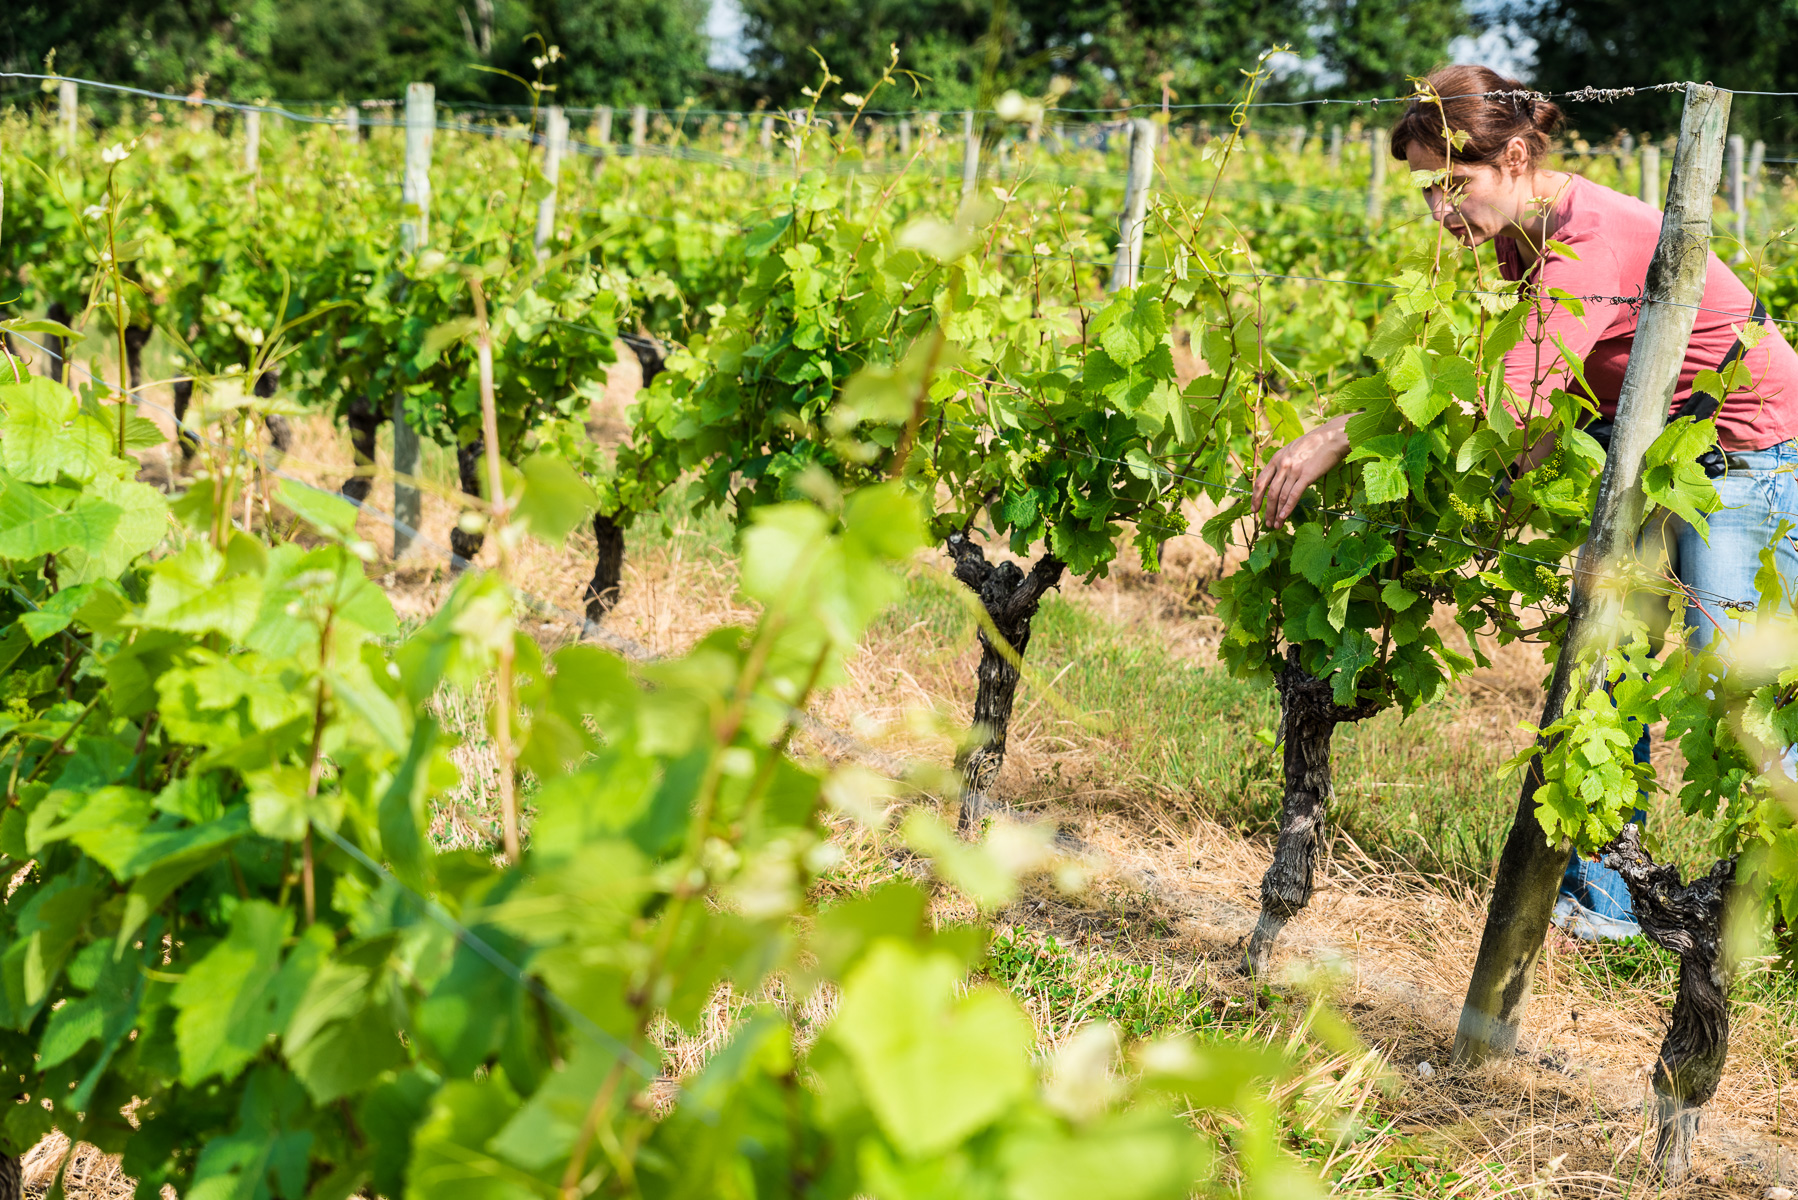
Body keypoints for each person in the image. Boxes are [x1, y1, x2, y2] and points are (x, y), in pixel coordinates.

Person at [1250, 64, 1798, 941]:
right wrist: (1491, 501)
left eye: (1452, 185)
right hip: (1649, 447)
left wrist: (1339, 432)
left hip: (1746, 451)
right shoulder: (1521, 234)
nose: (1438, 213)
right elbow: (1559, 391)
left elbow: (1502, 398)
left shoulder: (1594, 236)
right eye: (1427, 190)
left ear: (1512, 157)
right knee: (1601, 662)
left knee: (1735, 681)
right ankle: (1610, 901)